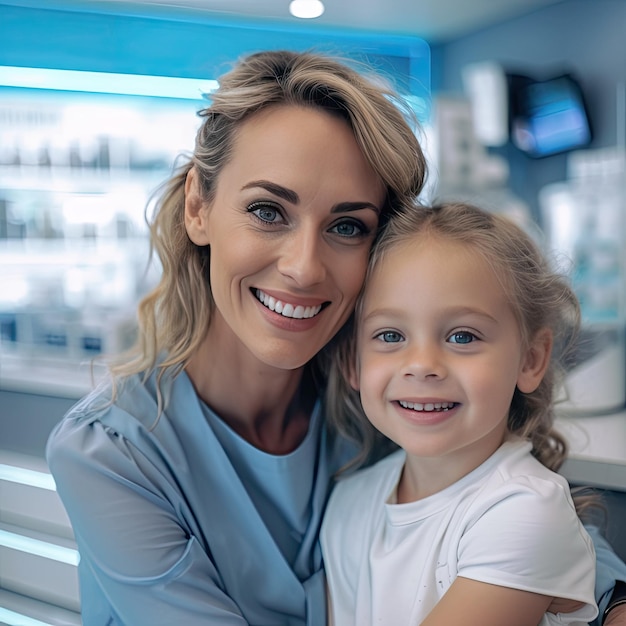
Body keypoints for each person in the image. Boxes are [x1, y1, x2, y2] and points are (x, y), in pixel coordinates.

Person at [44, 50, 626, 625]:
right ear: (199, 205)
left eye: (347, 226)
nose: (303, 267)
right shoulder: (113, 454)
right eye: (268, 211)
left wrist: (609, 601)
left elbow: (516, 519)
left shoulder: (377, 405)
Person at [321, 201, 601, 625]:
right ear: (352, 363)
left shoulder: (526, 510)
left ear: (530, 359)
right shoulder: (348, 503)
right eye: (390, 335)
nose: (422, 364)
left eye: (462, 336)